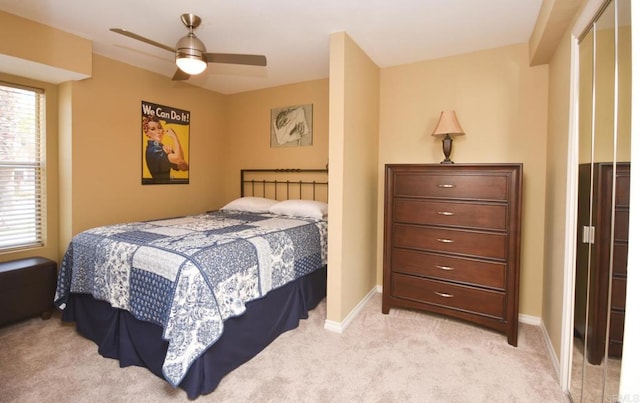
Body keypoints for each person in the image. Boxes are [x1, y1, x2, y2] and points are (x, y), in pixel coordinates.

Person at [142, 114, 189, 183]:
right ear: (147, 133)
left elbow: (185, 167)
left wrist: (171, 153)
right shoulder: (153, 149)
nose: (158, 131)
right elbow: (179, 159)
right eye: (153, 129)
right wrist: (174, 136)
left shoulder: (162, 148)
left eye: (159, 127)